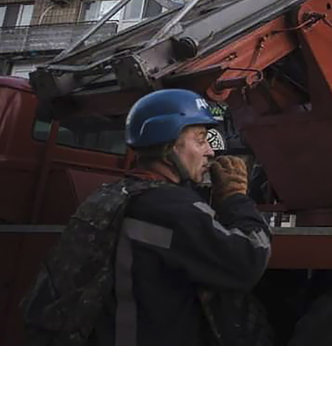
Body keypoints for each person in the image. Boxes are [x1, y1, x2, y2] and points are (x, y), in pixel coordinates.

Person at [22, 89, 271, 344]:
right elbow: (248, 260)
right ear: (168, 145)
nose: (210, 151)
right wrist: (235, 198)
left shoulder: (111, 195)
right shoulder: (171, 208)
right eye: (200, 139)